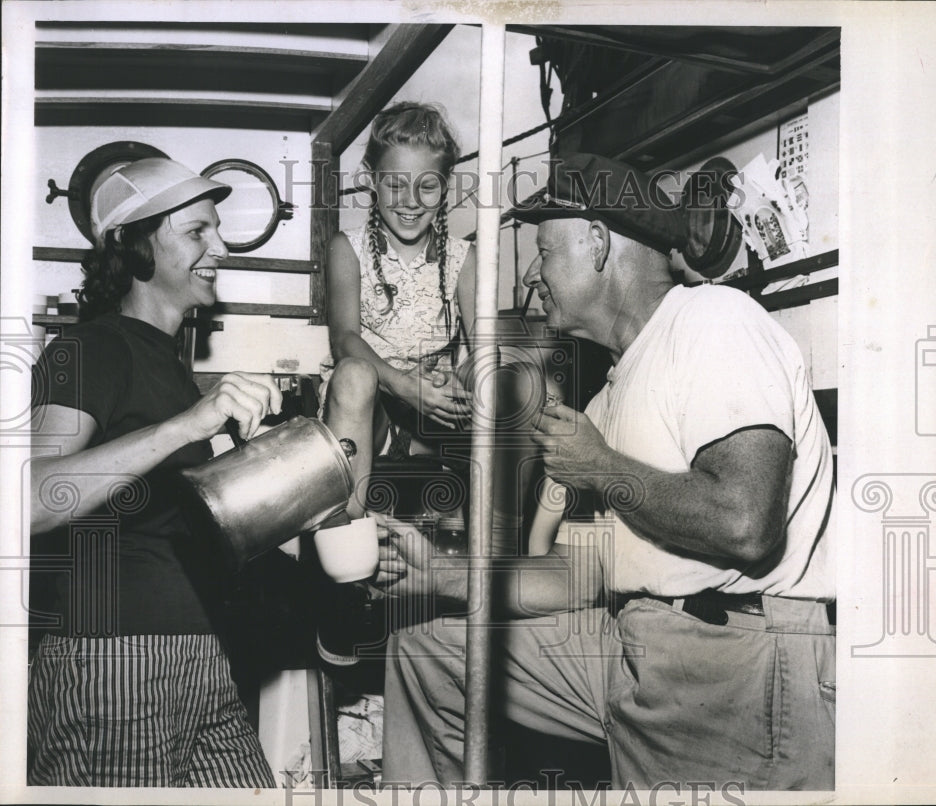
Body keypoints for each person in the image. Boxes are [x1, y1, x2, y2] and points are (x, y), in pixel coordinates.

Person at [375, 153, 836, 790]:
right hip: (631, 637)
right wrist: (441, 576)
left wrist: (601, 465)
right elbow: (580, 572)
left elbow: (745, 524)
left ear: (597, 242)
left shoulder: (713, 323)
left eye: (543, 249)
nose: (533, 273)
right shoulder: (608, 395)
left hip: (730, 658)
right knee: (430, 650)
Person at [28, 157, 377, 787]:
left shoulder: (170, 367)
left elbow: (195, 530)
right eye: (197, 232)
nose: (219, 247)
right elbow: (27, 500)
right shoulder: (92, 348)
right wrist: (185, 427)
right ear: (134, 249)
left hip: (201, 657)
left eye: (216, 230)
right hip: (117, 660)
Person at [320, 101, 476, 457]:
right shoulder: (347, 248)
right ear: (373, 179)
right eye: (395, 185)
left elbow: (485, 350)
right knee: (356, 377)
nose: (411, 202)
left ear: (446, 185)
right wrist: (401, 384)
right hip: (368, 401)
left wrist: (457, 380)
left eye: (428, 187)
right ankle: (350, 511)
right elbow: (344, 340)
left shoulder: (464, 258)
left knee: (508, 381)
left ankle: (485, 509)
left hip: (433, 406)